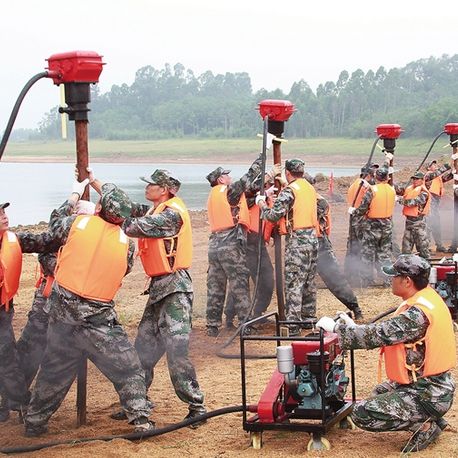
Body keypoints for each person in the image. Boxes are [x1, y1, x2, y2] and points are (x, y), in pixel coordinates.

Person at [24, 180, 153, 437]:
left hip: (63, 312)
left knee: (55, 369)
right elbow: (124, 269)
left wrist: (72, 196)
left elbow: (52, 229)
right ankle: (140, 419)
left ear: (100, 207)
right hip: (98, 317)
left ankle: (35, 422)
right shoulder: (126, 242)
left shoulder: (76, 224)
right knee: (127, 368)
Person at [316, 254, 456, 453]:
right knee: (380, 393)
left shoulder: (417, 315)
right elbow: (389, 331)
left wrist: (337, 329)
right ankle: (429, 416)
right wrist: (354, 327)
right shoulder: (428, 299)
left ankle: (425, 425)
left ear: (407, 281)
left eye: (394, 276)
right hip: (433, 387)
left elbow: (380, 334)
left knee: (362, 413)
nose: (390, 280)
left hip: (428, 393)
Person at [106, 169, 206, 428]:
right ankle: (139, 401)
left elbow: (131, 225)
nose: (147, 188)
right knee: (143, 350)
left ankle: (197, 406)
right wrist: (97, 185)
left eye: (151, 185)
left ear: (164, 189)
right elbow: (128, 209)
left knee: (177, 350)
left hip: (175, 289)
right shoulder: (157, 209)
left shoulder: (171, 215)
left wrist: (109, 214)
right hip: (158, 288)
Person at [15, 200, 96, 397]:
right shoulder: (59, 235)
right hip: (46, 302)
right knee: (29, 350)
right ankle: (11, 398)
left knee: (59, 356)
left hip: (73, 309)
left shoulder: (92, 241)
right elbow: (41, 248)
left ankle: (36, 406)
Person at [205, 148, 279, 337]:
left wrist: (263, 193)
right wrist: (262, 156)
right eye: (226, 175)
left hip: (214, 244)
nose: (229, 178)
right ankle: (246, 324)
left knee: (215, 286)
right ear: (220, 179)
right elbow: (248, 178)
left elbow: (248, 198)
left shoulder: (214, 195)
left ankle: (212, 325)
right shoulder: (228, 191)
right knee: (239, 285)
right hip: (230, 242)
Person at [0, 203, 56, 423]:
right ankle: (20, 400)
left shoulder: (13, 239)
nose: (5, 216)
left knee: (7, 357)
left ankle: (18, 401)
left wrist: (74, 198)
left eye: (4, 212)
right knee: (7, 358)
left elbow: (47, 239)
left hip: (3, 309)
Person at [257, 158, 318, 336]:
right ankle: (309, 320)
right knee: (308, 281)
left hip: (297, 240)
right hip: (312, 238)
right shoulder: (309, 187)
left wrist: (261, 203)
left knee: (294, 282)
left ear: (288, 173)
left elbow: (273, 215)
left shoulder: (290, 191)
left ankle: (292, 325)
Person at [224, 185, 274, 328]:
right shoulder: (246, 195)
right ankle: (229, 316)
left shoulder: (263, 197)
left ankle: (257, 313)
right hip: (246, 241)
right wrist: (262, 196)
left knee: (267, 279)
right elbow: (247, 200)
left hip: (258, 243)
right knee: (241, 281)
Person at [315, 193, 363, 320]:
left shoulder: (319, 201)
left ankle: (355, 307)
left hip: (319, 243)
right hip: (300, 243)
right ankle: (303, 317)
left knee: (334, 277)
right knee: (301, 283)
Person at [350, 166, 396, 287]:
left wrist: (353, 211)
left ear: (376, 177)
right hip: (387, 225)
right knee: (385, 254)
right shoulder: (392, 190)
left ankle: (367, 281)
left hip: (372, 226)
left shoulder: (372, 190)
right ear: (387, 178)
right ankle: (388, 280)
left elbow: (363, 207)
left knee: (368, 254)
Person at [344, 164, 378, 286]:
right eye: (373, 174)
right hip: (362, 219)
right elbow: (366, 204)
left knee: (353, 247)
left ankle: (350, 274)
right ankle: (365, 278)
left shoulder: (354, 185)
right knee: (365, 249)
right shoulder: (365, 187)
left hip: (354, 218)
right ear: (368, 175)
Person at [395, 172, 431, 261]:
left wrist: (399, 199)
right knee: (406, 249)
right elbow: (400, 191)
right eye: (413, 179)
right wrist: (392, 184)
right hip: (409, 223)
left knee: (423, 249)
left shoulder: (424, 192)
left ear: (422, 180)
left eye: (417, 179)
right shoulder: (410, 189)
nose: (414, 181)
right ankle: (405, 269)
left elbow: (413, 202)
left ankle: (427, 268)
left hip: (419, 224)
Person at [424, 160, 453, 252]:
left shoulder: (438, 177)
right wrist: (450, 162)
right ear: (428, 168)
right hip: (430, 202)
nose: (435, 165)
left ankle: (439, 245)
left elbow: (447, 177)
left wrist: (454, 171)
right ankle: (426, 246)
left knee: (436, 224)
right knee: (429, 224)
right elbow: (440, 172)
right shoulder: (428, 176)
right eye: (432, 164)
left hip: (435, 202)